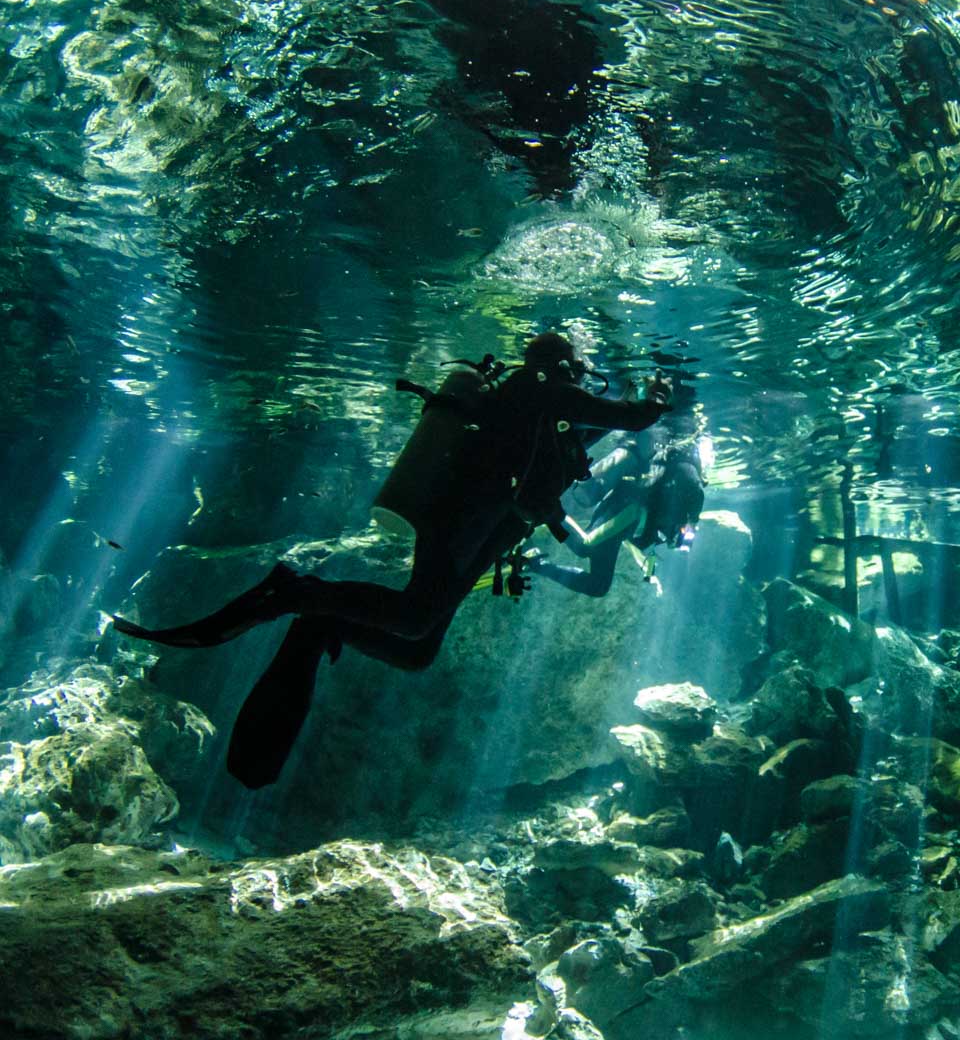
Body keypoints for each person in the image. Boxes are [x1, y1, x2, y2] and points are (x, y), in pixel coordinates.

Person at [113, 333, 673, 786]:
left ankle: (323, 622)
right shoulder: (542, 389)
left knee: (416, 651)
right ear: (562, 364)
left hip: (478, 534)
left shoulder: (540, 410)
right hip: (458, 525)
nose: (583, 376)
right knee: (412, 618)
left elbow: (563, 458)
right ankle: (294, 591)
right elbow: (637, 417)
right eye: (578, 366)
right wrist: (660, 388)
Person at [527, 438, 706, 597]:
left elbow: (636, 539)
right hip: (627, 508)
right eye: (686, 536)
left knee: (598, 586)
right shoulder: (691, 496)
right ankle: (547, 505)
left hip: (627, 522)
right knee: (585, 547)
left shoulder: (679, 514)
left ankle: (535, 562)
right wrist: (689, 523)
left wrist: (648, 571)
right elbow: (684, 495)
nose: (684, 539)